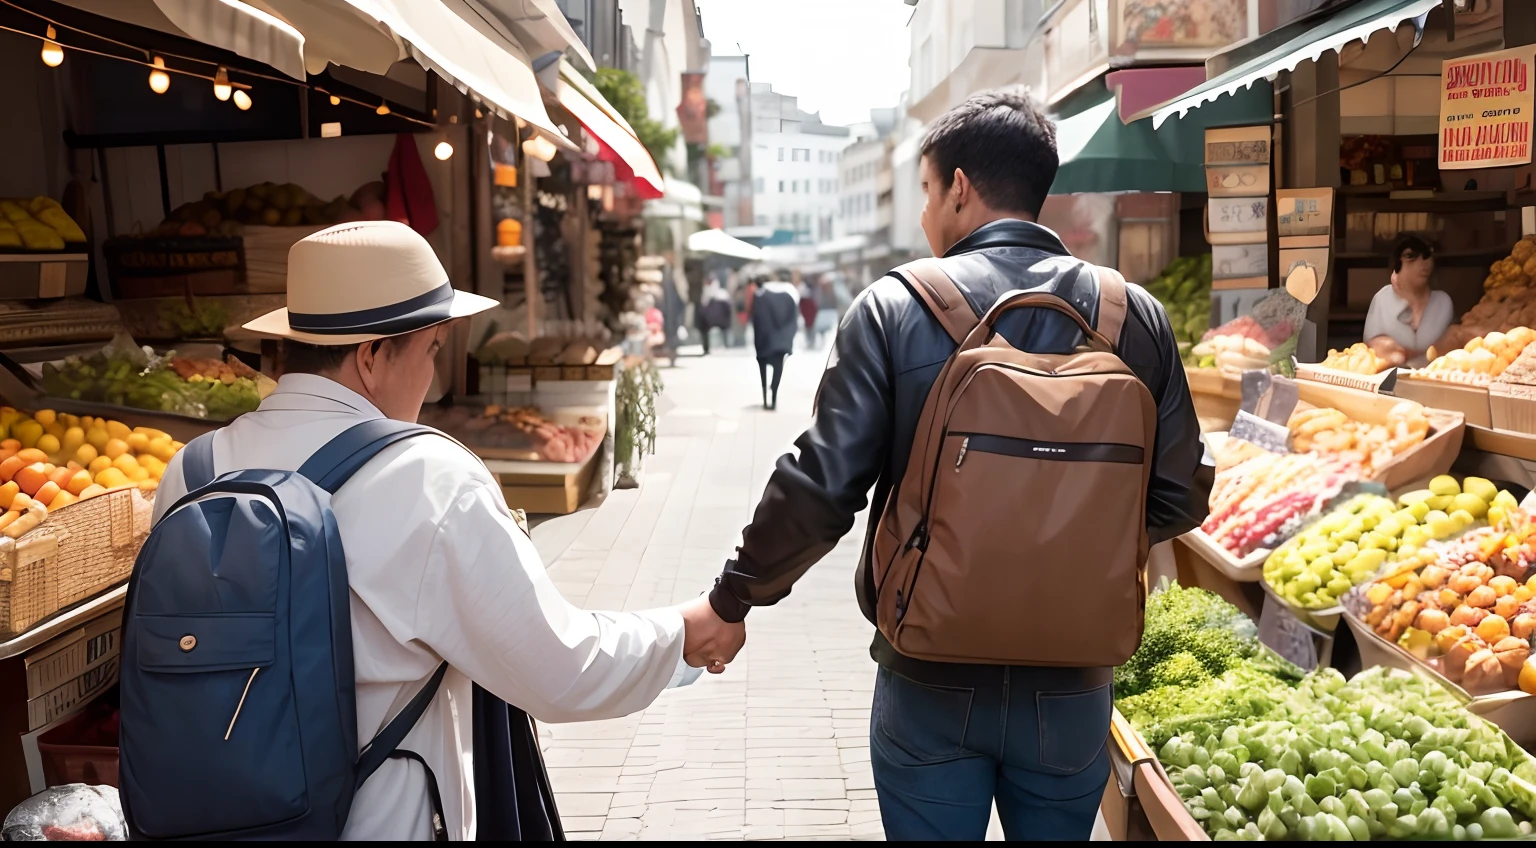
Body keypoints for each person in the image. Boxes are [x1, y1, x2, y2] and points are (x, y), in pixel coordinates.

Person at [699, 90, 1206, 840]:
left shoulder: (894, 309)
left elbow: (822, 483)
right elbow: (1180, 493)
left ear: (959, 188)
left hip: (930, 672)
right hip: (1072, 683)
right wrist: (1070, 546)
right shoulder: (1133, 317)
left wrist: (732, 600)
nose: (925, 215)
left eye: (928, 192)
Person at [150, 222, 745, 840]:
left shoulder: (192, 469)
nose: (433, 377)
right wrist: (682, 632)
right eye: (432, 350)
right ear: (372, 356)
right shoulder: (425, 477)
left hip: (207, 821)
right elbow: (560, 667)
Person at [1364, 235, 1453, 368]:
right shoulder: (1382, 298)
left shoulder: (1442, 302)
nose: (1422, 264)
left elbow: (1448, 351)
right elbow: (1372, 349)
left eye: (1426, 256)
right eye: (1411, 256)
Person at [751, 275, 800, 410]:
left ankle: (765, 395)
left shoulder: (760, 296)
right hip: (782, 342)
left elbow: (756, 320)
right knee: (778, 369)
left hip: (764, 341)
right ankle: (773, 396)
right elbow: (794, 322)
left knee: (763, 369)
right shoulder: (790, 295)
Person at [697, 277, 733, 355]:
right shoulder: (705, 293)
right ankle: (707, 348)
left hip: (721, 320)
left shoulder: (722, 294)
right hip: (709, 320)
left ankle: (726, 345)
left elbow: (728, 308)